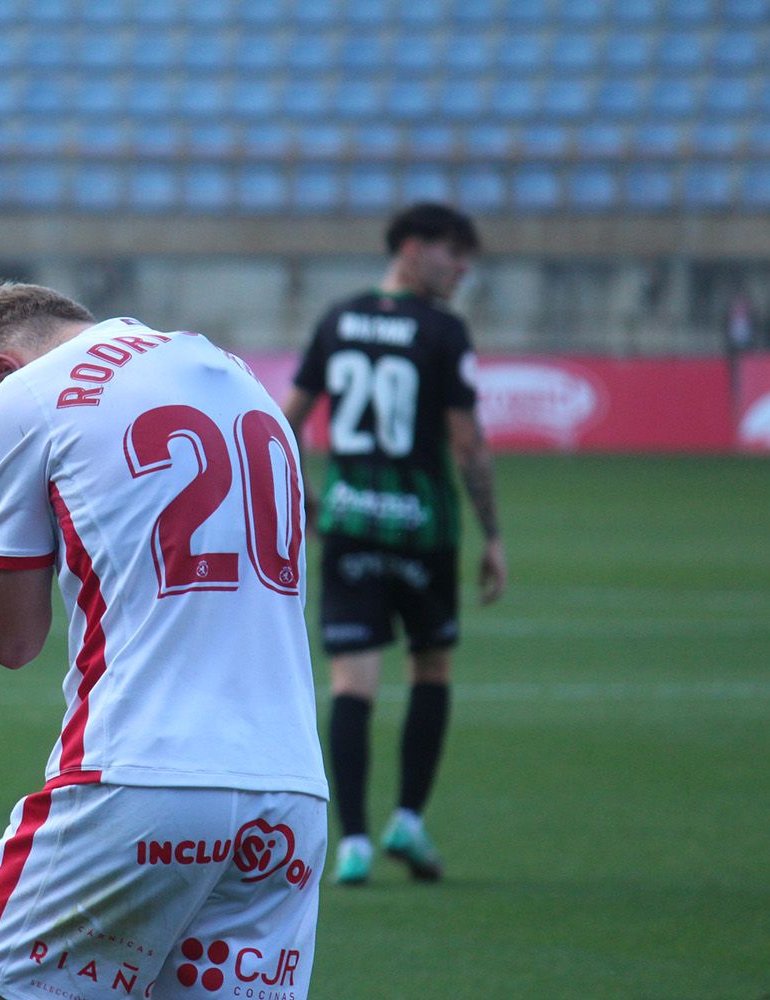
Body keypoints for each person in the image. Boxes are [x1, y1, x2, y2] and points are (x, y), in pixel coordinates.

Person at [0, 283, 328, 1000]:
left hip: (137, 774)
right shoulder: (239, 382)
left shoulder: (24, 397)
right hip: (290, 794)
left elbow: (11, 638)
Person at [279, 202, 506, 886]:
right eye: (453, 252)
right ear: (412, 248)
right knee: (431, 668)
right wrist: (492, 534)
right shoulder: (442, 330)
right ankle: (407, 817)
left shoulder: (337, 317)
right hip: (423, 528)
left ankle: (351, 841)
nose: (462, 267)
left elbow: (283, 421)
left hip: (349, 524)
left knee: (353, 683)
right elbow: (465, 442)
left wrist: (313, 499)